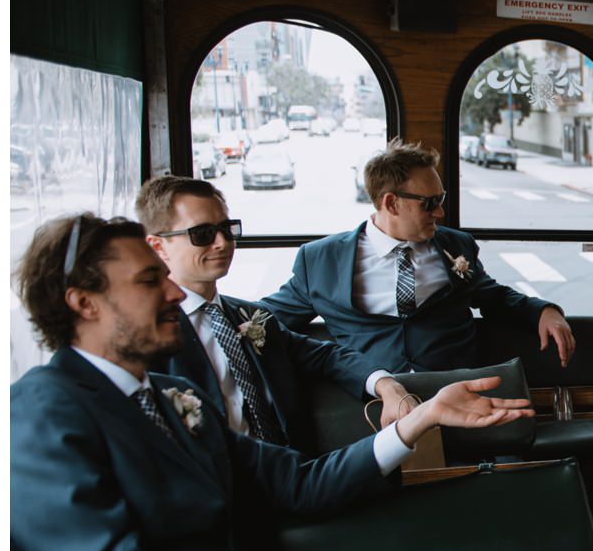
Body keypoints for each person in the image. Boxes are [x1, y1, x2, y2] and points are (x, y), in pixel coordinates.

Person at [10, 214, 533, 551]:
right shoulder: (43, 411)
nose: (174, 292)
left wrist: (422, 417)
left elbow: (301, 484)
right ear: (84, 302)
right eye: (150, 281)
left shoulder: (173, 400)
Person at [136, 176, 415, 454]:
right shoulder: (146, 338)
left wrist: (386, 384)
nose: (222, 242)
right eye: (202, 234)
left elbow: (326, 356)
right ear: (158, 246)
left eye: (226, 228)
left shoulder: (250, 316)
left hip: (294, 472)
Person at [260, 138, 575, 373]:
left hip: (455, 393)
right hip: (371, 406)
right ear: (392, 203)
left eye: (442, 199)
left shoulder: (457, 246)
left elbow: (491, 295)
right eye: (430, 202)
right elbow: (263, 319)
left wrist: (543, 311)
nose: (440, 211)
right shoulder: (321, 261)